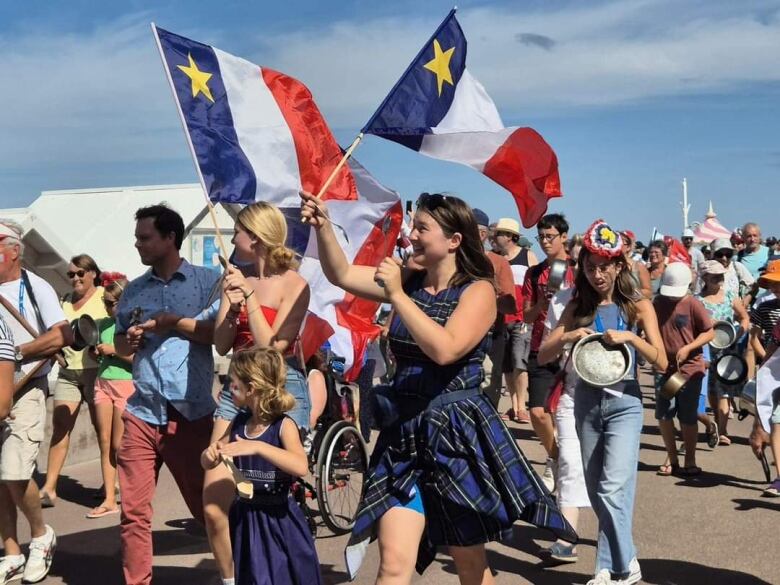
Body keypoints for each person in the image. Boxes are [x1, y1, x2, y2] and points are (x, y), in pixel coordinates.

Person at [301, 190, 575, 584]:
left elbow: (446, 349)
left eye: (422, 228)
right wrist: (324, 227)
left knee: (470, 565)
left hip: (456, 437)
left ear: (454, 240)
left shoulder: (478, 291)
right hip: (404, 435)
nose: (412, 234)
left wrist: (397, 295)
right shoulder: (409, 280)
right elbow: (341, 274)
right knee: (393, 567)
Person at [539, 219, 667, 585]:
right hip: (585, 403)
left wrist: (631, 337)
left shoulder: (638, 306)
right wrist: (570, 335)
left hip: (625, 403)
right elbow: (544, 353)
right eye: (591, 267)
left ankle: (625, 563)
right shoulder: (577, 305)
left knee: (613, 488)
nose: (597, 275)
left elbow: (659, 360)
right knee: (599, 491)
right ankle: (611, 568)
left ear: (618, 266)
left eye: (604, 267)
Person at [113, 204, 219, 585]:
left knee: (208, 509)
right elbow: (121, 344)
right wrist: (131, 338)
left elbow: (217, 337)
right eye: (138, 237)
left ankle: (237, 571)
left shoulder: (208, 281)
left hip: (190, 413)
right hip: (142, 412)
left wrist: (174, 326)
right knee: (134, 512)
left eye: (145, 237)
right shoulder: (135, 289)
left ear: (170, 238)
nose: (138, 243)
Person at [207, 202, 311, 584]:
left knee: (269, 494)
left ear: (256, 236)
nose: (233, 237)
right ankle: (232, 577)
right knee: (215, 500)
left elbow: (271, 349)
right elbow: (220, 344)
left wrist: (250, 300)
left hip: (279, 386)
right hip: (236, 390)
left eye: (239, 230)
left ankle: (284, 566)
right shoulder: (235, 278)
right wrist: (230, 309)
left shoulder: (294, 284)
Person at [201, 347, 322, 585]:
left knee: (282, 577)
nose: (229, 389)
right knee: (255, 578)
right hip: (247, 519)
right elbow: (207, 461)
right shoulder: (239, 423)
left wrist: (258, 448)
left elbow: (300, 466)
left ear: (252, 389)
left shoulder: (282, 426)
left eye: (233, 384)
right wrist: (210, 453)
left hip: (279, 520)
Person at [0, 220, 70, 584]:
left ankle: (41, 536)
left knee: (14, 471)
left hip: (26, 388)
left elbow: (63, 333)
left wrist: (15, 352)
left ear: (14, 250)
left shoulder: (34, 285)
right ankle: (11, 551)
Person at [39, 254, 108, 507]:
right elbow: (53, 332)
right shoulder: (64, 301)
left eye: (80, 273)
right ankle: (49, 487)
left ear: (92, 273)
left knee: (104, 432)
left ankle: (111, 484)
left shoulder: (104, 296)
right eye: (71, 274)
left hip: (97, 373)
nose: (75, 278)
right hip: (68, 373)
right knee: (60, 425)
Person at [522, 213, 574, 491]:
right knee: (538, 413)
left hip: (572, 349)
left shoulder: (579, 270)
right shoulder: (534, 273)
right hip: (541, 348)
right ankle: (555, 457)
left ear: (564, 237)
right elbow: (527, 316)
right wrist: (542, 302)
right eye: (540, 237)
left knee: (570, 414)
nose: (544, 241)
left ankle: (575, 466)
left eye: (549, 236)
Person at [652, 263, 714, 476]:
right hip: (664, 369)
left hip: (689, 370)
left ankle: (690, 458)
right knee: (664, 413)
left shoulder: (693, 304)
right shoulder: (657, 303)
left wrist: (689, 347)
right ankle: (671, 455)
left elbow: (709, 332)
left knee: (687, 416)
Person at [87, 272, 134, 519]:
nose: (106, 307)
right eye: (104, 302)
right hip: (103, 383)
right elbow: (97, 352)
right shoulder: (103, 325)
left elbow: (139, 360)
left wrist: (115, 351)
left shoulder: (133, 326)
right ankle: (109, 498)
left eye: (110, 303)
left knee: (119, 445)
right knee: (105, 442)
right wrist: (97, 353)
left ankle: (130, 494)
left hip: (125, 385)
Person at [697, 260, 750, 446]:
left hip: (728, 350)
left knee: (724, 392)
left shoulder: (729, 296)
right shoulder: (698, 300)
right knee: (712, 390)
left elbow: (744, 317)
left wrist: (738, 334)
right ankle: (717, 426)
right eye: (715, 276)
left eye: (721, 275)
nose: (719, 278)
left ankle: (723, 430)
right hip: (706, 352)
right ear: (704, 278)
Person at [493, 217, 537, 423]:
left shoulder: (527, 256)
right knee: (507, 367)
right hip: (501, 320)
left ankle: (522, 405)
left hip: (522, 319)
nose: (496, 237)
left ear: (511, 236)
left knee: (520, 362)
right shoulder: (494, 259)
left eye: (500, 233)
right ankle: (514, 405)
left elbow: (536, 287)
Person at [473, 209, 516, 409]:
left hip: (491, 337)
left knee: (489, 389)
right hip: (455, 335)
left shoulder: (499, 263)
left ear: (482, 235)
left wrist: (487, 292)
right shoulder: (450, 261)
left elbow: (510, 305)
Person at [749, 260, 780, 366]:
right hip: (771, 362)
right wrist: (766, 359)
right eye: (771, 284)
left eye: (778, 283)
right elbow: (754, 338)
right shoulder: (764, 307)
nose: (774, 288)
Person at [710, 237, 754, 303]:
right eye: (720, 254)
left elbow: (754, 286)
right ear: (714, 255)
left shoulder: (737, 267)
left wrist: (747, 299)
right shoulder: (707, 270)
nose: (724, 258)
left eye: (728, 254)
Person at [621, 231, 652, 299]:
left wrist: (630, 294)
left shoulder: (639, 266)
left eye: (621, 242)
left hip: (633, 306)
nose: (617, 245)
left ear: (628, 247)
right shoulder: (610, 266)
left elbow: (648, 292)